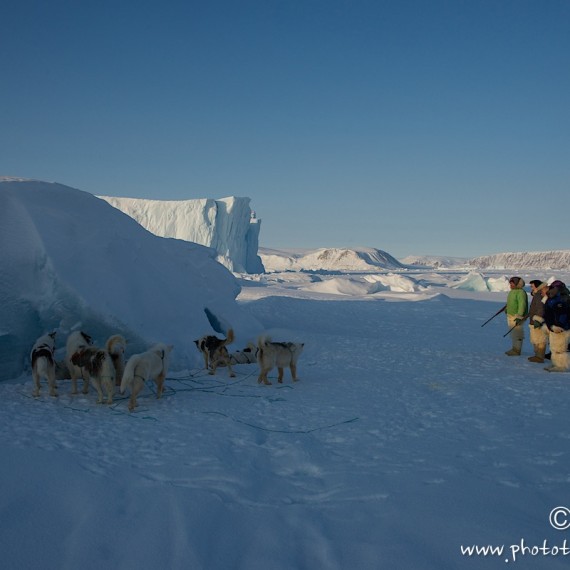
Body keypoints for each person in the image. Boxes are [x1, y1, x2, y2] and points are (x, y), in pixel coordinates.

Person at [543, 280, 570, 372]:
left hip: (560, 328)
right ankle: (555, 363)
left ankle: (562, 366)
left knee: (560, 348)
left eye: (553, 288)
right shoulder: (552, 298)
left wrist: (559, 326)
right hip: (552, 327)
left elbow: (563, 314)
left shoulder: (562, 299)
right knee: (554, 347)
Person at [505, 276, 528, 356]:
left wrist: (519, 316)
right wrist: (507, 308)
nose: (510, 285)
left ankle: (517, 350)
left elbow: (522, 305)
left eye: (512, 283)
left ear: (517, 284)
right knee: (513, 333)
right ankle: (514, 348)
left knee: (517, 334)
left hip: (517, 316)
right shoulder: (512, 291)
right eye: (510, 283)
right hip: (510, 315)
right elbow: (512, 302)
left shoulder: (521, 292)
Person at [527, 280, 549, 363]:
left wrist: (538, 319)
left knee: (539, 339)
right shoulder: (537, 294)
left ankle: (539, 357)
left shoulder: (539, 295)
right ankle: (538, 355)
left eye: (532, 286)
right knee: (536, 338)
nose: (531, 288)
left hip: (537, 320)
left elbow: (540, 308)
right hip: (534, 319)